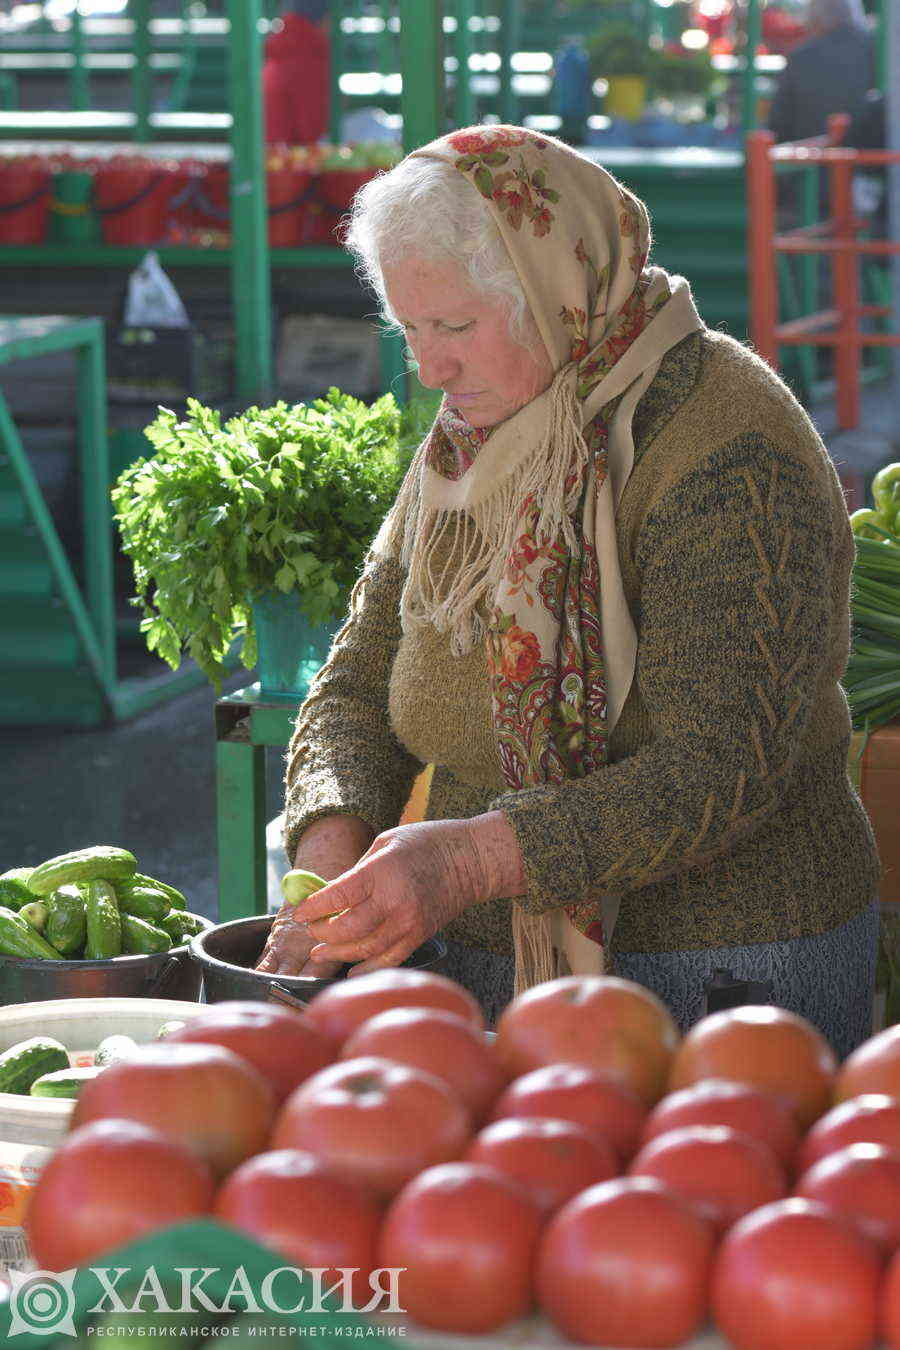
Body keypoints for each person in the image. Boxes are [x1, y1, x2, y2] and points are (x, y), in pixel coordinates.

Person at [256, 124, 880, 1056]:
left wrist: (469, 857)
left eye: (457, 327)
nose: (429, 369)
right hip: (470, 950)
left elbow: (728, 763)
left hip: (725, 964)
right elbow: (357, 681)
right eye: (410, 329)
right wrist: (329, 851)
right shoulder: (472, 440)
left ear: (558, 294)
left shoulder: (729, 447)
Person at [767, 0, 875, 145]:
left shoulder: (800, 58)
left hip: (807, 159)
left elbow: (778, 126)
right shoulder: (878, 51)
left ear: (815, 18)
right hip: (868, 159)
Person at [262, 1, 330, 146]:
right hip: (288, 155)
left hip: (268, 148)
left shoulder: (285, 40)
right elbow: (312, 131)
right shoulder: (311, 50)